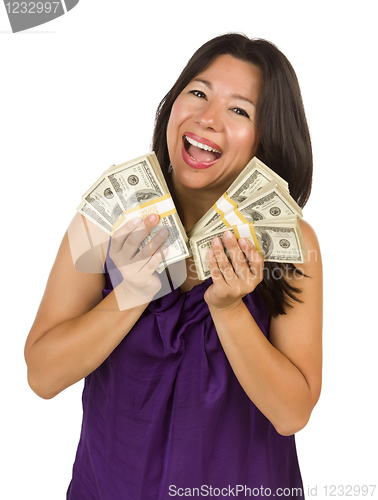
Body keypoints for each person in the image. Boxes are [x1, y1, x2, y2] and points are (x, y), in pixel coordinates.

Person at [24, 33, 323, 499]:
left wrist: (227, 310)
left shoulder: (291, 245)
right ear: (173, 104)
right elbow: (42, 375)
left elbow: (292, 414)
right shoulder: (105, 218)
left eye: (239, 110)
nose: (208, 119)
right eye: (199, 93)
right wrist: (134, 292)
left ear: (267, 136)